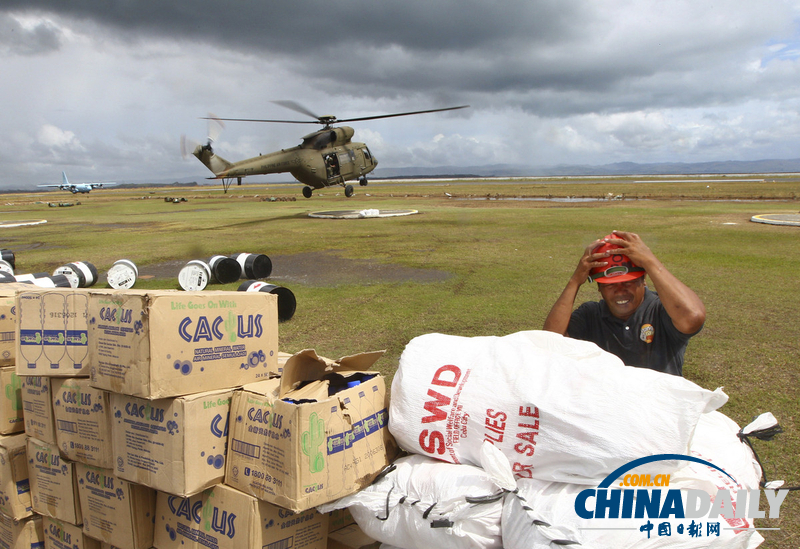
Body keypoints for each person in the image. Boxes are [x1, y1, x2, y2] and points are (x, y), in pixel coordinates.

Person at [543, 230, 706, 376]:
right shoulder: (591, 315)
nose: (620, 290)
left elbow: (692, 317)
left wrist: (650, 261)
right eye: (610, 284)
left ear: (643, 280)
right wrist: (574, 281)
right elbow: (549, 344)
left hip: (658, 406)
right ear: (599, 287)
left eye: (628, 282)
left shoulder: (661, 310)